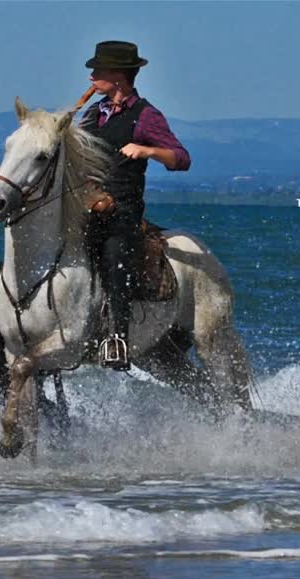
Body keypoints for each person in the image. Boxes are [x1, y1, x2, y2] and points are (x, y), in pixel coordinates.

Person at [81, 40, 190, 370]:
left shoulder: (146, 117)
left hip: (122, 212)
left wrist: (148, 152)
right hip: (88, 205)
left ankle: (117, 338)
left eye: (97, 71)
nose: (91, 77)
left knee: (115, 253)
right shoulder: (91, 115)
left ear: (117, 77)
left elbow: (181, 159)